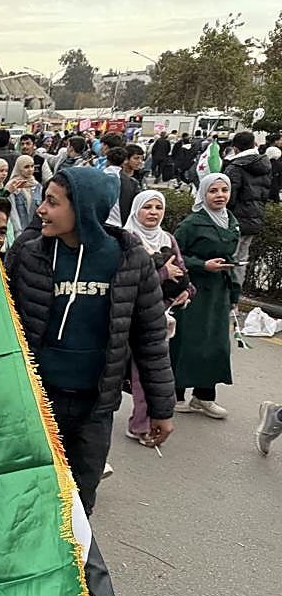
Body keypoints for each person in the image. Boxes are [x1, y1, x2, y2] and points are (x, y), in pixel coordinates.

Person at [5, 167, 174, 515]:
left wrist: (162, 408)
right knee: (25, 500)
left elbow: (151, 338)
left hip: (94, 410)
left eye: (52, 203)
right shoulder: (28, 254)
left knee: (78, 505)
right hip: (34, 405)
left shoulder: (130, 260)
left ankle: (72, 567)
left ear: (83, 208)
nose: (41, 210)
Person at [121, 191, 193, 445]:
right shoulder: (128, 238)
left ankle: (141, 424)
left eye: (158, 207)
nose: (153, 212)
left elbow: (182, 270)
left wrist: (186, 291)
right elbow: (127, 277)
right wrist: (162, 272)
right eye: (147, 207)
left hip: (159, 316)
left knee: (147, 374)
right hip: (131, 315)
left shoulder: (167, 238)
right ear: (135, 210)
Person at [170, 173, 239, 419]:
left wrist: (234, 293)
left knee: (215, 344)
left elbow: (232, 258)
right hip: (193, 290)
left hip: (219, 292)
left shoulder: (231, 221)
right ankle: (175, 394)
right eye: (213, 191)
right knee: (186, 342)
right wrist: (202, 265)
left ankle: (204, 396)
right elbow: (174, 255)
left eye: (224, 190)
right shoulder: (191, 223)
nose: (220, 195)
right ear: (203, 194)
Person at [222, 131, 272, 286]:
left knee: (227, 259)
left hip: (234, 220)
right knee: (241, 259)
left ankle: (226, 296)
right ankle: (235, 297)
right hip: (254, 218)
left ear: (235, 149)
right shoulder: (264, 165)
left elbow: (227, 198)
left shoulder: (236, 167)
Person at [5, 154, 42, 236]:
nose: (30, 169)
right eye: (26, 167)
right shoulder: (12, 186)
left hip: (36, 231)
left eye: (32, 166)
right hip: (19, 231)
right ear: (19, 168)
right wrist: (18, 232)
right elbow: (12, 212)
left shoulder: (37, 186)